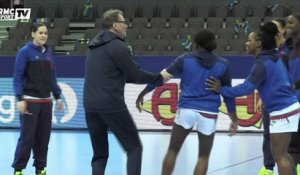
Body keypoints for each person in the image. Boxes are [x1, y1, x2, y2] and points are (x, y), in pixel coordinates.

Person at [135, 29, 238, 175]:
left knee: (173, 150)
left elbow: (161, 78)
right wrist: (234, 118)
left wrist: (143, 92)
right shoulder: (223, 64)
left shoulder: (185, 59)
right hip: (209, 112)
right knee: (203, 156)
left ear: (195, 43)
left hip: (186, 109)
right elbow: (228, 94)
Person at [206, 22, 300, 175]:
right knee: (283, 153)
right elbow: (290, 83)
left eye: (249, 40)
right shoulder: (275, 57)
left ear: (258, 43)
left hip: (282, 111)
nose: (246, 43)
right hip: (290, 108)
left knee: (279, 155)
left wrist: (221, 89)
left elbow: (245, 89)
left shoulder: (261, 63)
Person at [83, 9, 164, 175]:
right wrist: (159, 78)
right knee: (134, 147)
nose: (126, 25)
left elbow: (120, 76)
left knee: (99, 154)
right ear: (115, 25)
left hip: (90, 105)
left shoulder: (94, 46)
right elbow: (135, 73)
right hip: (111, 104)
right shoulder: (118, 46)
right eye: (123, 22)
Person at [12, 22, 64, 175]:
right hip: (30, 102)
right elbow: (17, 77)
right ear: (33, 34)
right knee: (27, 138)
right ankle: (18, 169)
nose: (44, 36)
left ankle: (40, 168)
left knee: (43, 139)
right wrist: (20, 98)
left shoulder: (48, 52)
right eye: (40, 33)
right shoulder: (24, 52)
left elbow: (52, 77)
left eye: (46, 33)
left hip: (46, 102)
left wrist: (58, 96)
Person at [257, 18, 286, 175]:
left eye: (275, 27)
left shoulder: (290, 49)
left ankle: (297, 164)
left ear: (282, 30)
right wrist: (262, 97)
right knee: (268, 133)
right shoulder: (267, 51)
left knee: (293, 134)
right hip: (271, 99)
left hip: (289, 99)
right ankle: (268, 168)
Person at [281, 13, 300, 175]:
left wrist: (296, 84)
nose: (288, 25)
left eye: (291, 23)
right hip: (292, 104)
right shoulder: (287, 47)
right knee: (291, 146)